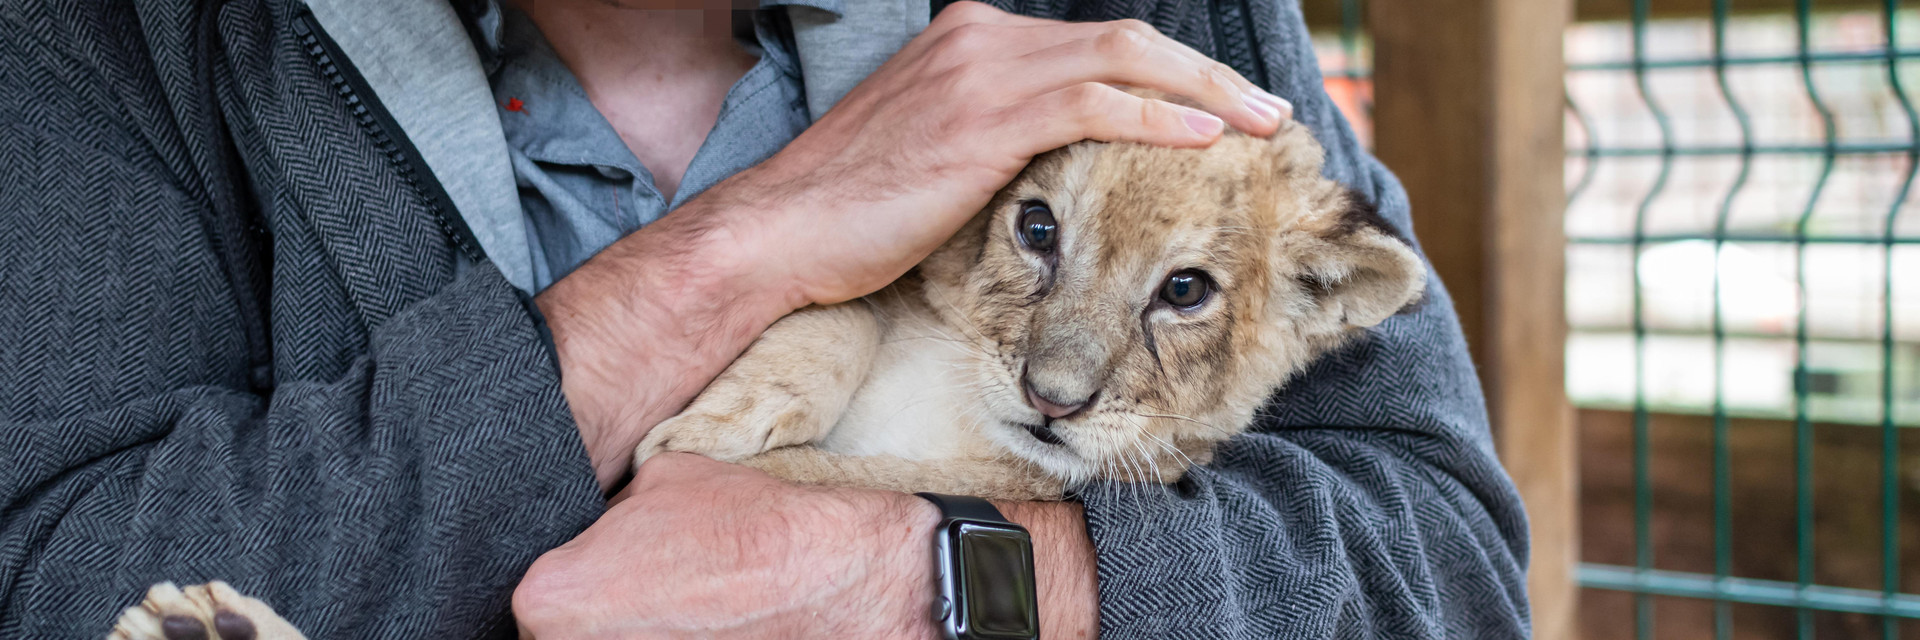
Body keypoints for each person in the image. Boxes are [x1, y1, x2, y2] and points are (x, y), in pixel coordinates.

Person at [0, 0, 1531, 637]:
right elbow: (62, 587)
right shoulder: (108, 42)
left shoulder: (1131, 17)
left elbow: (1444, 563)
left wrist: (942, 579)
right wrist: (749, 241)